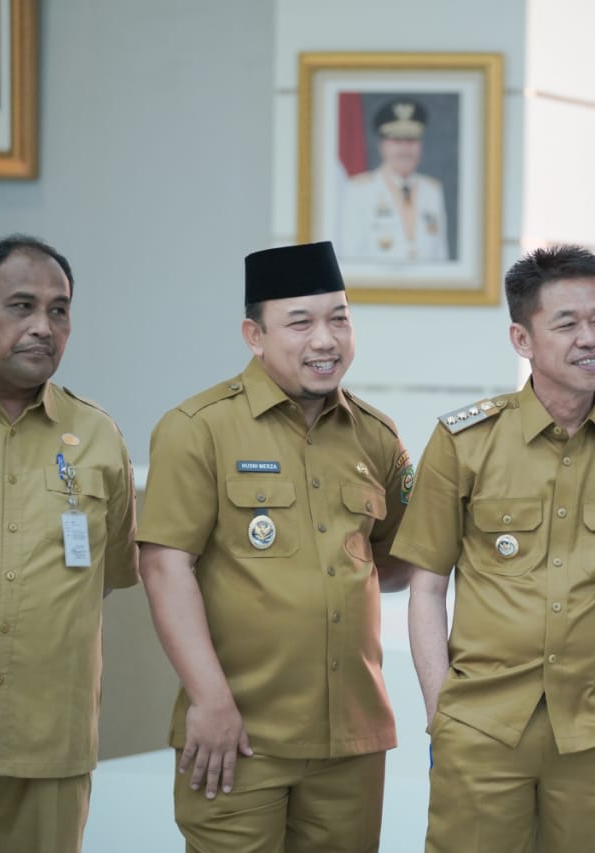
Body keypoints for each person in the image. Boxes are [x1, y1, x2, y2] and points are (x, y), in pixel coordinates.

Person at [391, 244, 595, 852]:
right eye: (567, 323)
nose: (590, 338)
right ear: (522, 339)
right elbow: (426, 590)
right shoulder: (464, 443)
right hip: (481, 729)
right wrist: (441, 714)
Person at [136, 240, 413, 853]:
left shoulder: (376, 436)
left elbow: (398, 559)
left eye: (339, 319)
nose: (326, 340)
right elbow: (163, 567)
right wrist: (209, 700)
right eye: (301, 323)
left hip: (350, 741)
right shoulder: (198, 429)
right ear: (254, 336)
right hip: (238, 734)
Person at [0, 235, 138, 852]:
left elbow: (107, 574)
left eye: (59, 311)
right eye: (21, 306)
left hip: (47, 747)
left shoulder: (98, 436)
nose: (43, 327)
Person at [339, 97, 449, 262]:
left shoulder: (432, 191)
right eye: (397, 141)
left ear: (420, 145)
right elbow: (350, 256)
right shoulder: (358, 191)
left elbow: (442, 256)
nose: (405, 149)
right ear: (382, 146)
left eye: (411, 140)